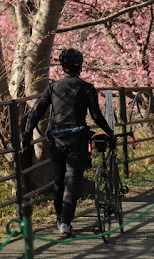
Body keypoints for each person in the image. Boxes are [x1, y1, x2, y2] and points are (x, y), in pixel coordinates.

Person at [22, 48, 115, 237]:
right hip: (78, 140)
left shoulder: (53, 87)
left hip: (56, 139)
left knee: (59, 180)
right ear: (79, 66)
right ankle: (65, 221)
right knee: (73, 180)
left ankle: (59, 217)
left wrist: (27, 133)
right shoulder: (87, 88)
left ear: (63, 67)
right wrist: (109, 132)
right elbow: (96, 116)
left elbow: (37, 111)